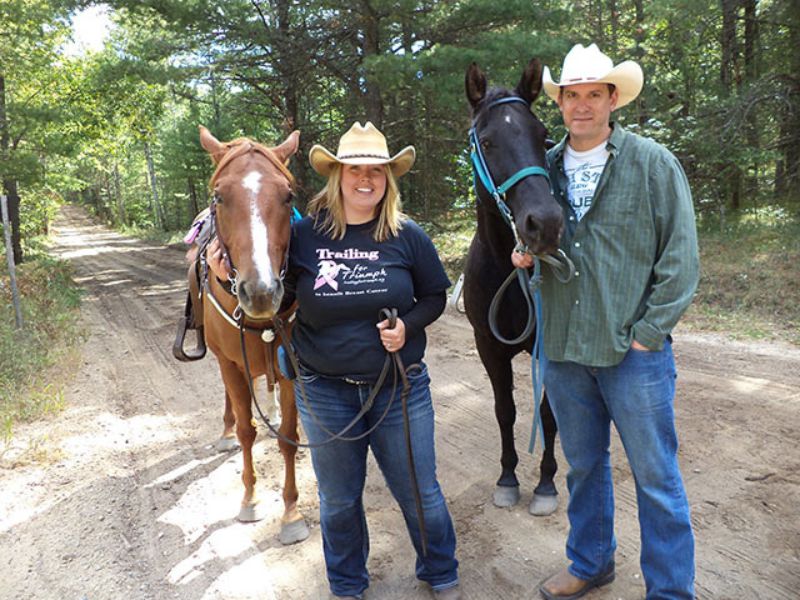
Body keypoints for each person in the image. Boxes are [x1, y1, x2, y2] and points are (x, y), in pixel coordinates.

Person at [209, 122, 460, 600]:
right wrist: (226, 280)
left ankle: (440, 570)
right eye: (354, 170)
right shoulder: (305, 236)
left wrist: (409, 325)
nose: (365, 179)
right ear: (337, 176)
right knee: (340, 500)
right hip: (325, 391)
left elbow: (434, 295)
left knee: (420, 493)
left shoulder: (408, 236)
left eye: (376, 171)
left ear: (389, 178)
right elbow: (271, 294)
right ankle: (346, 584)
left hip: (399, 388)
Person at [512, 43, 699, 599]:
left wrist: (647, 335)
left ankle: (669, 590)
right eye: (573, 95)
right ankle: (590, 562)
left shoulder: (651, 163)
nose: (583, 105)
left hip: (631, 355)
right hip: (565, 351)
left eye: (595, 94)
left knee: (657, 479)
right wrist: (526, 257)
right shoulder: (540, 173)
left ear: (612, 99)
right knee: (583, 468)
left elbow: (681, 260)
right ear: (561, 103)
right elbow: (537, 245)